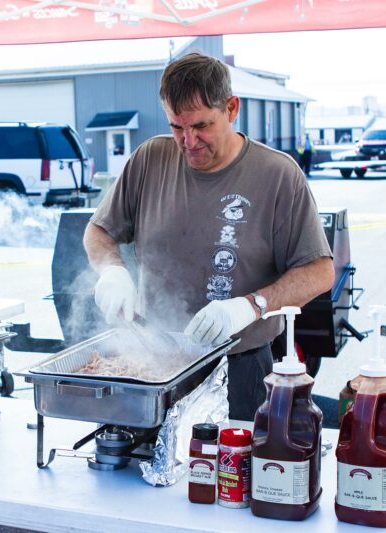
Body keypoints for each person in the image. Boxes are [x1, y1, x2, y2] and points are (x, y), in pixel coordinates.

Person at [82, 53, 335, 421]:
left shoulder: (278, 175)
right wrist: (111, 270)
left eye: (201, 125)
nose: (188, 141)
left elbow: (319, 271)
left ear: (231, 108)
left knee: (234, 474)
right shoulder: (150, 159)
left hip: (242, 366)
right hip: (155, 360)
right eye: (176, 127)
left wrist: (251, 306)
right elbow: (99, 231)